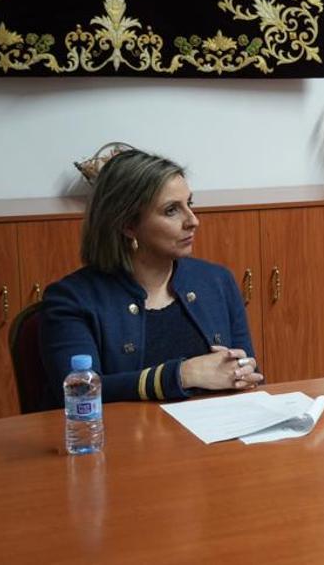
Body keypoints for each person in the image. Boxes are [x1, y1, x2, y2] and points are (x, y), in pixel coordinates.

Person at [40, 150, 263, 406]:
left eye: (189, 204)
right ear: (128, 225)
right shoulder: (71, 300)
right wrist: (182, 374)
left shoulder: (216, 281)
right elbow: (80, 392)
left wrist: (243, 372)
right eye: (171, 210)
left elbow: (251, 376)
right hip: (124, 442)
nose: (193, 221)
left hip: (216, 439)